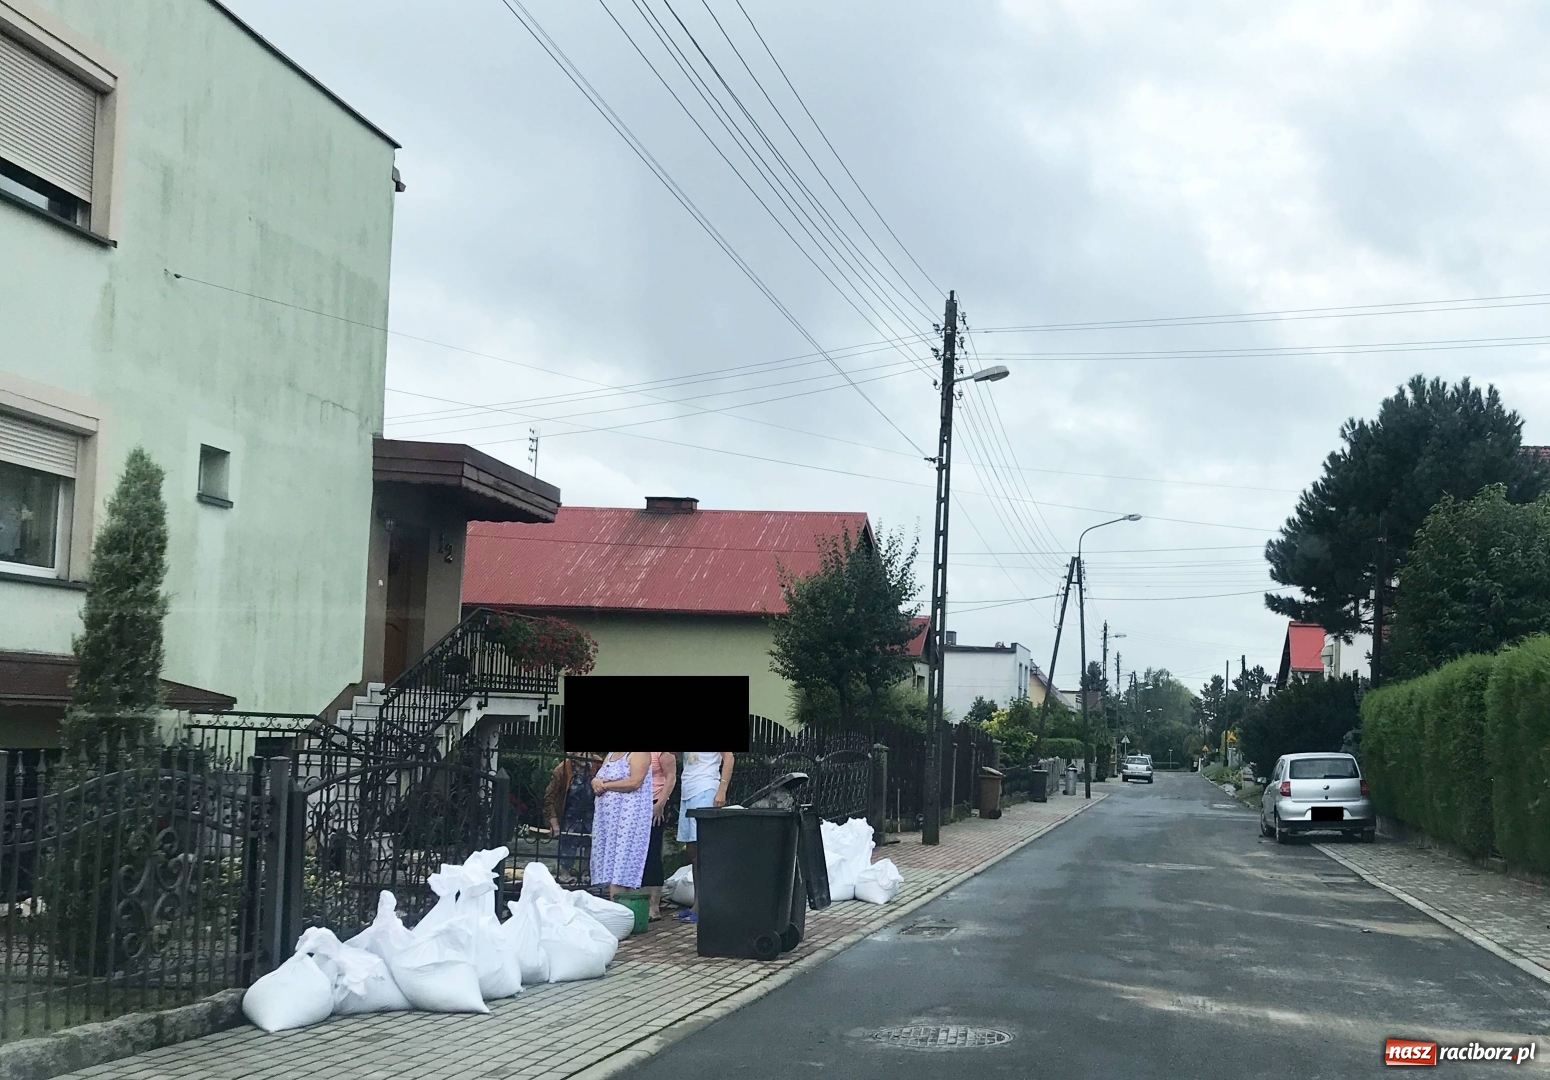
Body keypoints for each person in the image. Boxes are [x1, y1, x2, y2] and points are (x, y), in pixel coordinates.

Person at [675, 751, 734, 922]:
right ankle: (697, 902)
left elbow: (728, 758)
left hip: (706, 788)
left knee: (703, 849)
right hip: (688, 790)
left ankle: (705, 905)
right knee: (692, 850)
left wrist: (722, 790)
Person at [589, 751, 653, 898]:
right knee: (611, 865)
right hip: (608, 821)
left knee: (622, 865)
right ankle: (616, 907)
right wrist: (595, 782)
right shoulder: (611, 754)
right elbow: (598, 778)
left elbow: (634, 782)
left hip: (627, 819)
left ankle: (620, 909)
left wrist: (605, 786)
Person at [545, 753, 602, 883]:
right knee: (567, 841)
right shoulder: (562, 769)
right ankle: (565, 875)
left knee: (593, 842)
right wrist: (554, 823)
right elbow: (549, 797)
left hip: (592, 812)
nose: (583, 756)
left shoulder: (597, 764)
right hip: (570, 812)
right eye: (580, 753)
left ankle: (587, 874)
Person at [643, 752, 677, 920]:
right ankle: (642, 901)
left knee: (653, 851)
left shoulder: (663, 753)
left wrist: (661, 804)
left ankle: (654, 905)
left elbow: (671, 778)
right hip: (637, 804)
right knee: (640, 853)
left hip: (656, 803)